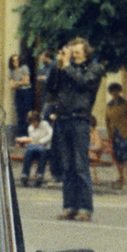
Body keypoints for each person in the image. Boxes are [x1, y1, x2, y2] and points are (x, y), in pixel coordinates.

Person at [49, 37, 104, 221]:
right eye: (72, 50)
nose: (74, 53)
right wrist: (58, 67)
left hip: (79, 120)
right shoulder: (65, 69)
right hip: (63, 119)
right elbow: (51, 89)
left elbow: (83, 83)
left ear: (86, 52)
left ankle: (85, 208)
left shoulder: (94, 69)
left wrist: (66, 66)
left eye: (78, 51)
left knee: (80, 165)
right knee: (67, 166)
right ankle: (69, 206)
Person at [104, 82, 127, 186]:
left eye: (116, 91)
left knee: (126, 156)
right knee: (117, 156)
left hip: (124, 133)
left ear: (119, 91)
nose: (115, 93)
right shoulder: (109, 105)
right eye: (113, 91)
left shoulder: (125, 104)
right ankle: (121, 177)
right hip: (114, 134)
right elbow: (107, 120)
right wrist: (109, 133)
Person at [17, 109, 52, 186]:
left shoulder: (45, 124)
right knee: (28, 154)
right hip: (35, 147)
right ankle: (25, 174)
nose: (33, 124)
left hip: (45, 147)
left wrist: (41, 141)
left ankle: (40, 174)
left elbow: (50, 135)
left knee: (43, 154)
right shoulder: (30, 128)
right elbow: (33, 139)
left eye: (34, 122)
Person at [8, 53, 33, 138]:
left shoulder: (24, 68)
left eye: (17, 60)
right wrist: (20, 81)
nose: (16, 62)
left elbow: (27, 81)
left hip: (26, 92)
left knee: (27, 112)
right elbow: (12, 85)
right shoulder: (11, 71)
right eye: (13, 61)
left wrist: (17, 82)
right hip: (18, 93)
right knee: (19, 113)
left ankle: (27, 133)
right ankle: (20, 134)